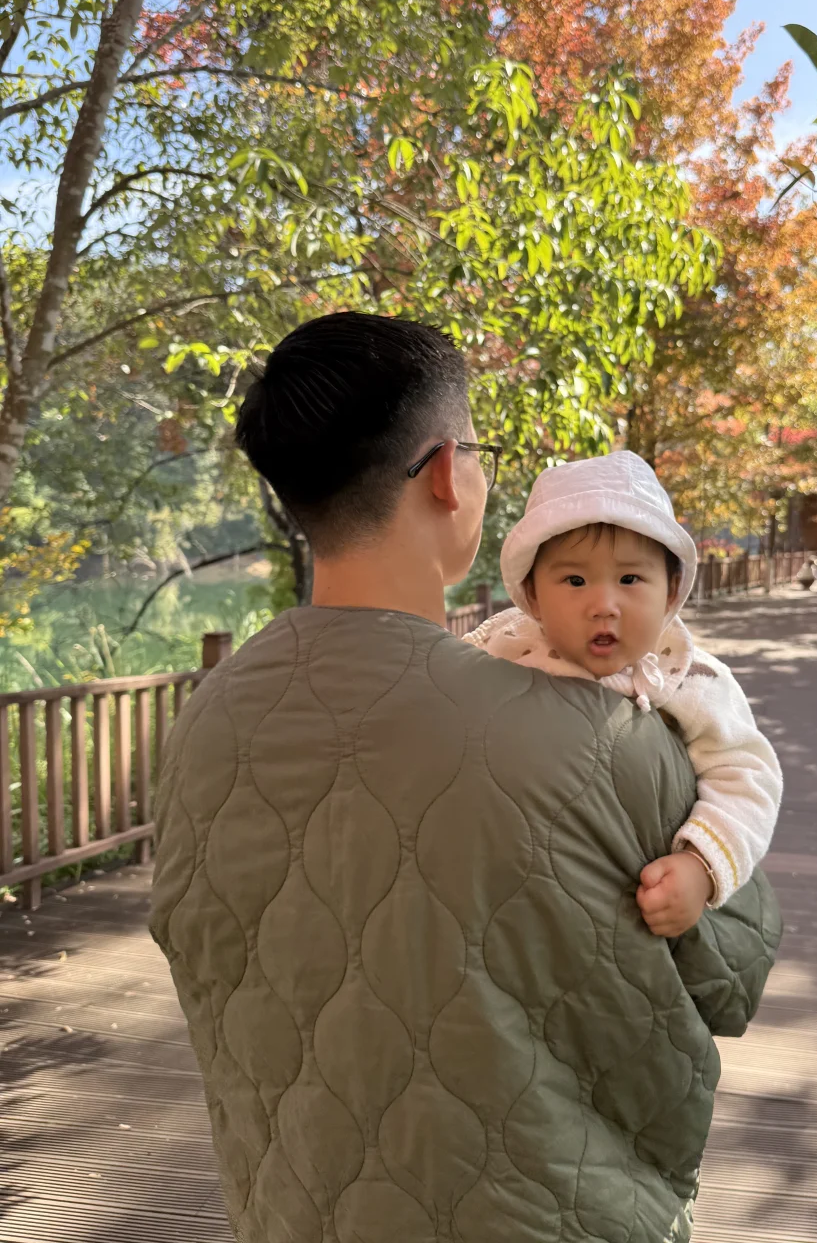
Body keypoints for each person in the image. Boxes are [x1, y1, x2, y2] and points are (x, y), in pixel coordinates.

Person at [149, 312, 781, 1243]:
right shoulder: (616, 734)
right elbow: (734, 968)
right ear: (448, 471)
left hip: (293, 1210)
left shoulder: (204, 723)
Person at [465, 452, 782, 938]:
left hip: (630, 911)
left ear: (672, 590)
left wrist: (702, 866)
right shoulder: (504, 652)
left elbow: (748, 774)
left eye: (630, 579)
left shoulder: (691, 676)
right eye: (574, 580)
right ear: (531, 595)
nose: (604, 606)